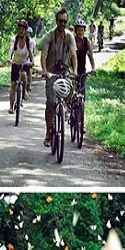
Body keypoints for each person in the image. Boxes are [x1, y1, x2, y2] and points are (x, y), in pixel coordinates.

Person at [40, 8, 77, 147]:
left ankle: (66, 107)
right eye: (60, 21)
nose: (62, 24)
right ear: (56, 21)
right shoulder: (49, 37)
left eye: (65, 21)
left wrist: (75, 71)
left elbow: (73, 55)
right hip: (51, 73)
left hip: (65, 71)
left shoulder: (69, 37)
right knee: (50, 103)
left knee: (71, 85)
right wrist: (45, 72)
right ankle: (48, 133)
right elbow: (43, 56)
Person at [7, 20, 33, 112]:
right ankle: (11, 107)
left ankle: (25, 90)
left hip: (25, 63)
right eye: (19, 29)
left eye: (22, 29)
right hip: (15, 63)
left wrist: (32, 61)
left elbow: (30, 51)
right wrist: (9, 58)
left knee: (24, 75)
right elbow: (11, 49)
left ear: (25, 30)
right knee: (13, 84)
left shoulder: (29, 40)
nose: (21, 31)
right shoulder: (14, 39)